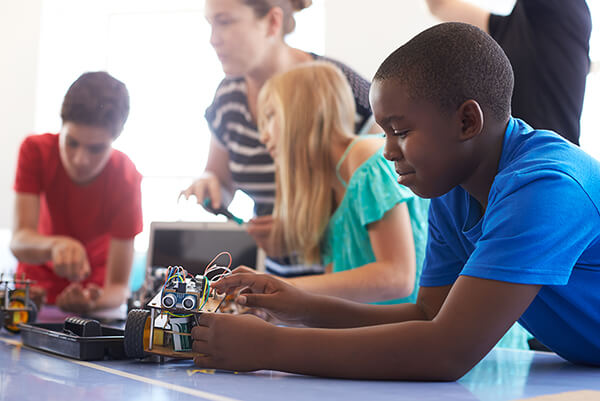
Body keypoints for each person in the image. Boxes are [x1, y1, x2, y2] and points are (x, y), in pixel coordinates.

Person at [189, 23, 600, 379]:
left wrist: (270, 348)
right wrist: (303, 308)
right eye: (384, 132)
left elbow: (447, 350)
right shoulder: (453, 191)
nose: (387, 151)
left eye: (400, 132)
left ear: (466, 122)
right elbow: (427, 314)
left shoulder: (546, 186)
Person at [180, 0, 377, 277]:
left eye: (224, 22)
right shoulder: (227, 98)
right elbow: (221, 180)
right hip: (276, 277)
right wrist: (210, 183)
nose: (213, 40)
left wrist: (302, 231)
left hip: (348, 278)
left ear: (272, 22)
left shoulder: (341, 87)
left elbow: (388, 191)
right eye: (210, 24)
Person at [253, 61, 428, 303]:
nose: (264, 136)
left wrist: (277, 286)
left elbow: (398, 277)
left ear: (302, 112)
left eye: (270, 116)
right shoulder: (328, 191)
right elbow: (338, 295)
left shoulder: (366, 160)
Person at [10, 71, 143, 313]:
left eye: (96, 149)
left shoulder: (126, 176)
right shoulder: (35, 151)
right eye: (71, 142)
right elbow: (19, 241)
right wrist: (55, 245)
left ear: (116, 138)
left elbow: (118, 287)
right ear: (61, 126)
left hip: (93, 298)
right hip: (32, 297)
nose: (80, 160)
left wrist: (93, 302)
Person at [424, 0, 592, 145]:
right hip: (519, 167)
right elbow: (441, 5)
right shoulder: (514, 27)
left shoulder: (563, 9)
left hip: (549, 169)